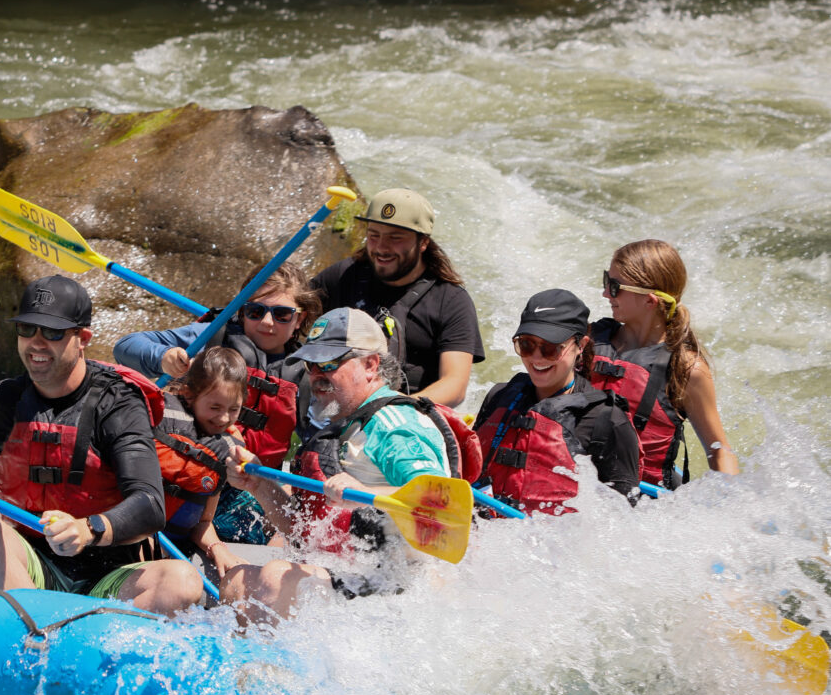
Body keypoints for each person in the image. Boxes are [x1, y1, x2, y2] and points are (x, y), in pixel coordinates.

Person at [0, 275, 204, 615]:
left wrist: (87, 529)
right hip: (35, 571)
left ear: (82, 338)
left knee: (182, 581)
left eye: (53, 333)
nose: (36, 343)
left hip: (112, 577)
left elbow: (149, 504)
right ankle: (36, 630)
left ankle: (72, 634)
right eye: (27, 329)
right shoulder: (10, 398)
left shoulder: (117, 403)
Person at [220, 308, 473, 626]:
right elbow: (305, 534)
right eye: (312, 365)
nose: (316, 375)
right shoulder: (342, 426)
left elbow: (442, 508)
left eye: (329, 363)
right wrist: (259, 485)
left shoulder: (397, 425)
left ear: (371, 365)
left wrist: (367, 493)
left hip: (400, 591)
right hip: (349, 575)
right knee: (238, 581)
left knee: (275, 577)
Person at [114, 263, 322, 542]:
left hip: (249, 489)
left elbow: (320, 445)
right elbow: (126, 346)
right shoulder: (214, 336)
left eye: (283, 314)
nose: (267, 322)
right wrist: (163, 357)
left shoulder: (307, 375)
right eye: (256, 311)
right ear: (242, 309)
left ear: (300, 319)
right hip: (190, 474)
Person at [473, 289, 642, 515]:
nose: (536, 357)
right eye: (526, 345)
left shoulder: (607, 420)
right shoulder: (498, 397)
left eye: (550, 348)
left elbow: (622, 524)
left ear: (580, 345)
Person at [311, 188, 484, 407]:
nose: (382, 247)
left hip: (405, 418)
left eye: (396, 238)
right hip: (336, 406)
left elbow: (455, 385)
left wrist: (391, 407)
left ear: (423, 243)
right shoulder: (343, 276)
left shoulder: (450, 300)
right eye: (374, 236)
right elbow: (292, 313)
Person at [590, 239, 739, 487]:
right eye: (607, 280)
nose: (605, 293)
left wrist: (732, 500)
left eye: (615, 287)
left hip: (646, 507)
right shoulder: (588, 341)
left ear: (650, 301)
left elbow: (719, 450)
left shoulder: (687, 369)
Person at [152, 347, 249, 579]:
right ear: (189, 394)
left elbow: (202, 521)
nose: (224, 418)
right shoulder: (154, 415)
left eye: (233, 409)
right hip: (126, 538)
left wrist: (217, 548)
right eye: (215, 407)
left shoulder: (226, 450)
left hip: (172, 548)